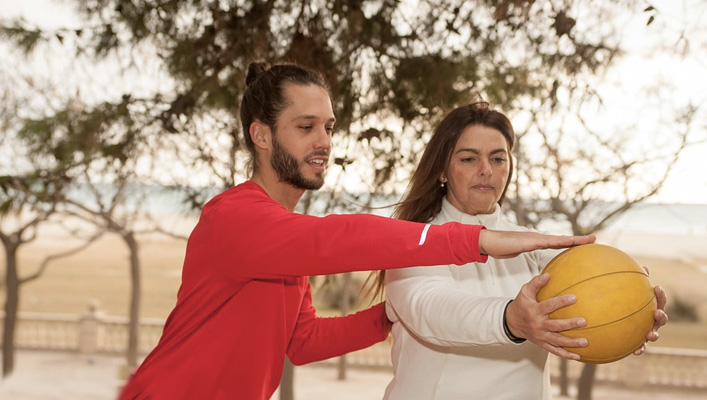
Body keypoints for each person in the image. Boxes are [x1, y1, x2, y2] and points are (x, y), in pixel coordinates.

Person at [117, 63, 596, 399]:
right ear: (260, 136)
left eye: (328, 126)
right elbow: (335, 240)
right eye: (306, 127)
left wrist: (388, 315)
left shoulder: (283, 236)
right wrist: (473, 240)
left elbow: (302, 342)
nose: (324, 141)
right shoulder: (235, 218)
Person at [373, 102, 669, 400]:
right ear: (442, 170)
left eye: (498, 158)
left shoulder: (534, 244)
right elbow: (432, 310)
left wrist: (633, 314)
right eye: (468, 158)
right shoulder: (413, 242)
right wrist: (510, 319)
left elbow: (598, 293)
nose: (486, 170)